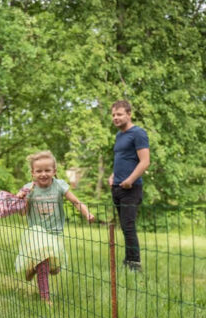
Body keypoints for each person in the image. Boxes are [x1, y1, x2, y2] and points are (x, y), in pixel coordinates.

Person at [15, 150, 95, 304]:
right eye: (39, 171)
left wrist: (87, 214)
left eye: (47, 170)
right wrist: (22, 199)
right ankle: (46, 298)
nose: (43, 174)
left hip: (55, 232)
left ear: (54, 171)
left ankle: (33, 267)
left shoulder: (59, 186)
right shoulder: (29, 189)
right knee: (44, 265)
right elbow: (23, 213)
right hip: (36, 232)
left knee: (55, 268)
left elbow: (76, 201)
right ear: (32, 173)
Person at [108, 100, 150, 272]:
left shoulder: (138, 133)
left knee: (129, 225)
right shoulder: (119, 136)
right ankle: (128, 260)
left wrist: (130, 180)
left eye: (119, 114)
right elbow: (121, 159)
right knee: (124, 226)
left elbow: (145, 161)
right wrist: (112, 176)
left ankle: (135, 264)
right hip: (117, 187)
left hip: (130, 189)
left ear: (129, 114)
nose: (115, 118)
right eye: (113, 115)